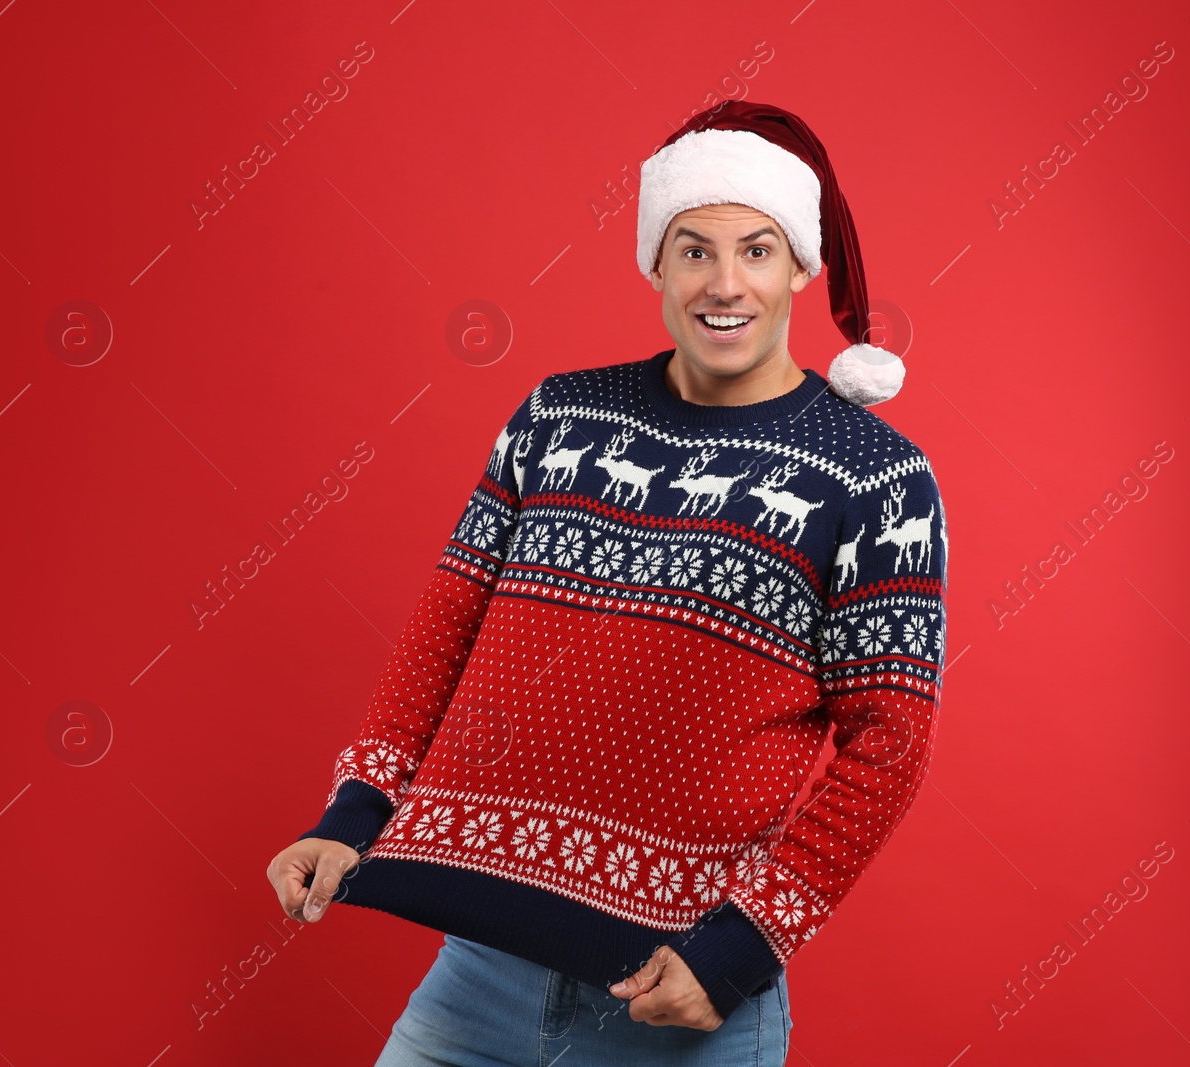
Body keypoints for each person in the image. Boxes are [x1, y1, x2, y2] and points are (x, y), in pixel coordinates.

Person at [267, 100, 948, 1066]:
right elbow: (447, 626)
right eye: (693, 250)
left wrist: (743, 949)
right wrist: (355, 814)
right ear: (655, 265)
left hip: (681, 997)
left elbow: (891, 744)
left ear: (801, 265)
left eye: (757, 251)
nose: (725, 284)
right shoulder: (558, 415)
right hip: (479, 971)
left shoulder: (877, 480)